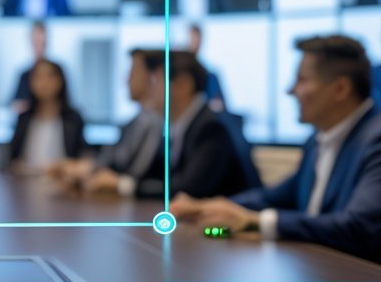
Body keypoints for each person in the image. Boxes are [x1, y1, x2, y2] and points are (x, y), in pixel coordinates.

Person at [172, 35, 381, 278]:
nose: (290, 90)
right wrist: (209, 206)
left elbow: (358, 229)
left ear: (340, 89)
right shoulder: (320, 139)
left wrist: (254, 221)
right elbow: (279, 196)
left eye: (302, 80)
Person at [84, 51, 259, 199]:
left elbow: (190, 188)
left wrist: (124, 185)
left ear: (183, 85)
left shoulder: (211, 126)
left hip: (230, 230)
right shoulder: (184, 124)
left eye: (157, 81)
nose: (151, 89)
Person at [49, 48, 162, 188]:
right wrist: (86, 169)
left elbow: (138, 174)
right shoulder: (134, 123)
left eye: (133, 73)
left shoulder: (161, 124)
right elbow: (113, 160)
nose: (126, 80)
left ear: (154, 77)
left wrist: (120, 184)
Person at [8, 59, 86, 174]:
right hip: (26, 182)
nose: (44, 83)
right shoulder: (24, 118)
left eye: (50, 76)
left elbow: (84, 158)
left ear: (60, 81)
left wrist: (66, 166)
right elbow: (12, 159)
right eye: (38, 77)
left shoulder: (73, 119)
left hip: (62, 182)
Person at [9, 21, 48, 115]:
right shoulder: (24, 75)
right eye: (35, 39)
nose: (38, 42)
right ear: (31, 41)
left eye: (40, 39)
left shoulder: (56, 73)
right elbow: (14, 104)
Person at [188, 23, 227, 112]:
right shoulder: (180, 74)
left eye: (196, 39)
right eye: (191, 39)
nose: (194, 43)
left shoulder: (208, 74)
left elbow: (218, 104)